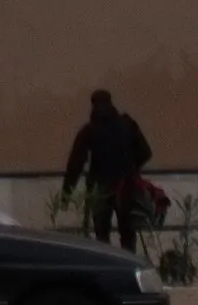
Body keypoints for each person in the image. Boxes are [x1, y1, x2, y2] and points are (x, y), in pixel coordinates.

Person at [61, 88, 153, 251]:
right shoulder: (127, 125)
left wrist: (66, 195)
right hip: (125, 187)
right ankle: (129, 268)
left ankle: (107, 268)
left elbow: (75, 165)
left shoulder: (89, 131)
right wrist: (131, 169)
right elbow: (145, 153)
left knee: (102, 239)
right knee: (128, 236)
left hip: (100, 190)